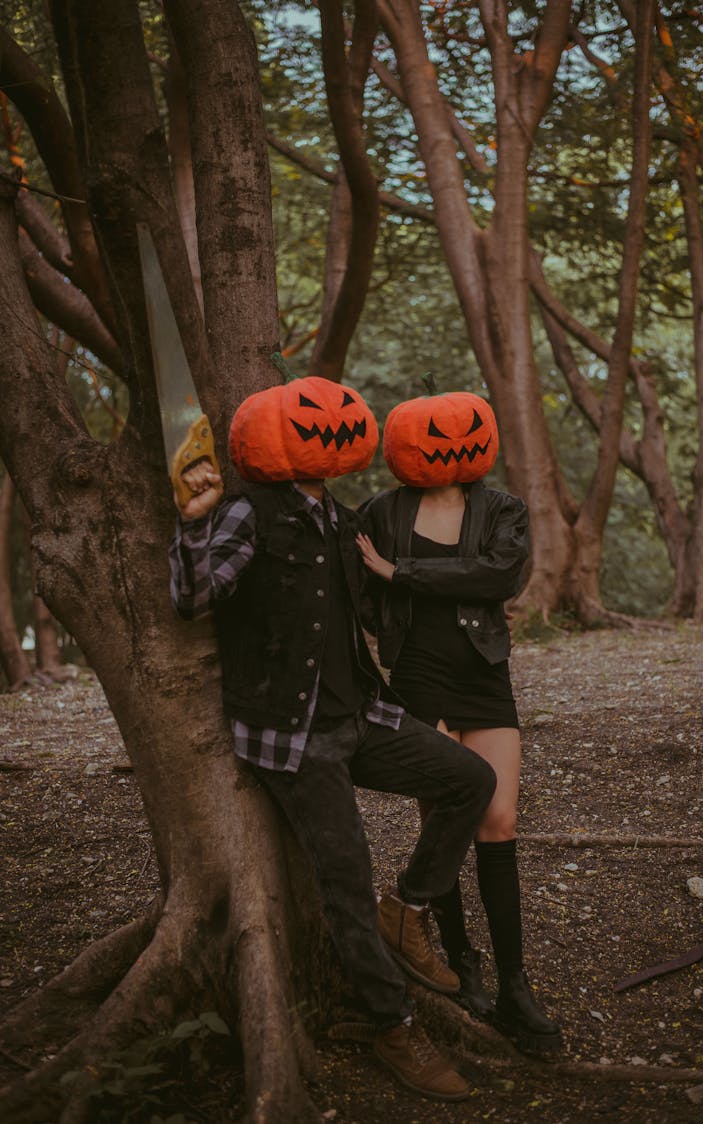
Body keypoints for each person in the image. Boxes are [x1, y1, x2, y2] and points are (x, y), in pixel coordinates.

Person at [167, 376, 497, 1102]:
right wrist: (194, 520)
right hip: (294, 737)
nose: (336, 426)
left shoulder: (345, 520)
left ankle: (407, 908)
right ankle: (392, 1023)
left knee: (471, 780)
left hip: (362, 718)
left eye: (343, 415)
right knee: (343, 880)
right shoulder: (246, 513)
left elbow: (369, 621)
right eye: (313, 418)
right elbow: (193, 599)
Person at [357, 389, 562, 1057]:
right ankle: (458, 964)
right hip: (418, 676)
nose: (452, 445)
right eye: (434, 437)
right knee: (446, 813)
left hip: (483, 676)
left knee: (499, 821)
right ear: (404, 447)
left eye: (466, 432)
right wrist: (389, 591)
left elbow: (499, 576)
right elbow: (363, 591)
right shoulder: (381, 512)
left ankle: (515, 985)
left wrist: (403, 573)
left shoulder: (501, 509)